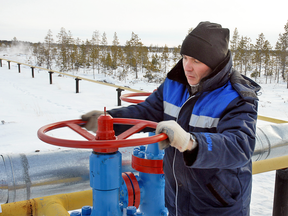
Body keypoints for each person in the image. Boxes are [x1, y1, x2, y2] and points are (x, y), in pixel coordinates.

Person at [82, 21, 261, 215]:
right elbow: (146, 112)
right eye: (185, 58)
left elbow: (239, 146)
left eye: (197, 61)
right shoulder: (174, 85)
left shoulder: (237, 98)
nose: (187, 67)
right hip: (176, 198)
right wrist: (109, 120)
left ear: (215, 63)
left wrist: (190, 142)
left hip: (217, 204)